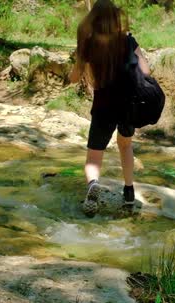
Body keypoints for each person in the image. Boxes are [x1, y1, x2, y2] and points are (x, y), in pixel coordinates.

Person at [69, 0, 150, 215]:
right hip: (128, 104)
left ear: (93, 19)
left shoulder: (88, 44)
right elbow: (146, 71)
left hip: (103, 105)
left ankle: (93, 185)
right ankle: (129, 192)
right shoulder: (128, 40)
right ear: (116, 18)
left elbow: (75, 77)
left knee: (94, 155)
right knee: (125, 145)